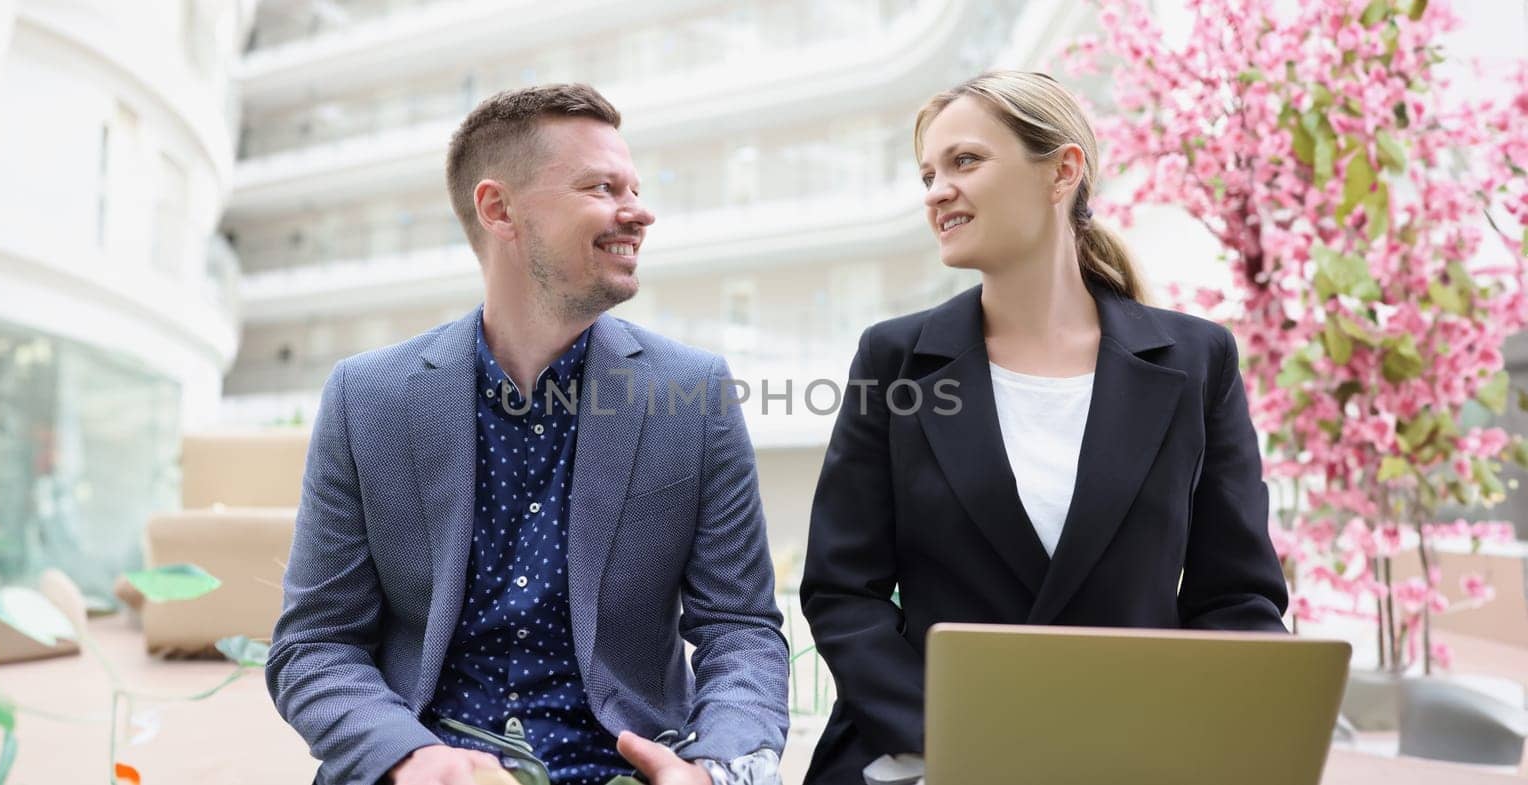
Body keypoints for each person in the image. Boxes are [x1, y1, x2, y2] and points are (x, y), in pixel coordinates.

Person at [266, 83, 788, 785]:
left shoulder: (692, 394)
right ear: (498, 209)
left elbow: (743, 630)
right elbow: (316, 642)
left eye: (634, 187)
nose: (639, 211)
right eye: (603, 187)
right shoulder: (368, 398)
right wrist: (409, 758)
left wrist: (713, 768)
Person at [798, 70, 1289, 785]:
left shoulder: (1196, 360)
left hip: (1130, 760)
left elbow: (1238, 597)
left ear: (1062, 171)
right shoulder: (893, 358)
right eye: (928, 172)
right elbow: (843, 591)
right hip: (924, 758)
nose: (936, 189)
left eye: (965, 161)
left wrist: (1181, 739)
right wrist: (951, 738)